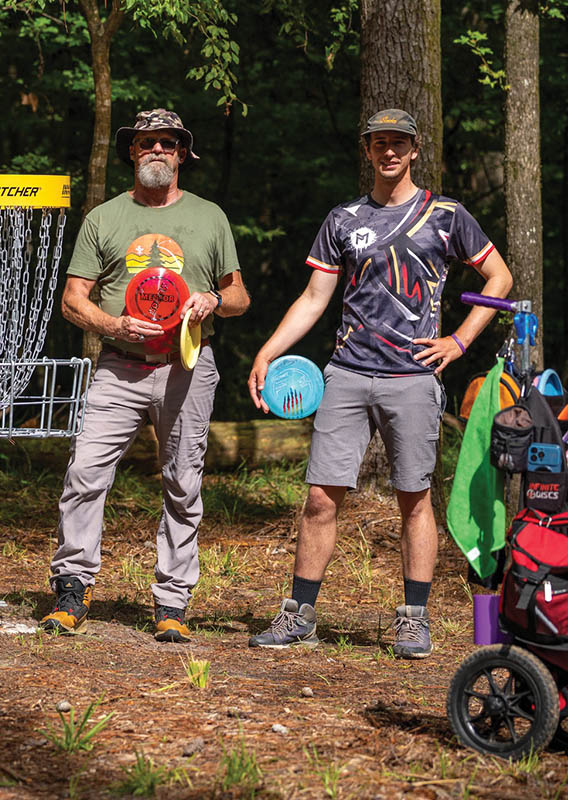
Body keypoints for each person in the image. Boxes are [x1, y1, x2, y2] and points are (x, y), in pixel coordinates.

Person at [247, 109, 513, 659]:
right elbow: (316, 297)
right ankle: (299, 615)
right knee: (321, 497)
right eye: (379, 143)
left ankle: (414, 619)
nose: (389, 151)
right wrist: (270, 351)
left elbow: (500, 277)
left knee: (414, 499)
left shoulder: (446, 215)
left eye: (399, 143)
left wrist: (460, 343)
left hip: (413, 377)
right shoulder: (343, 218)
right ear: (366, 151)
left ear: (415, 150)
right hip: (345, 374)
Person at [40, 109, 250, 641]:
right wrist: (113, 323)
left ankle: (172, 604)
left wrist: (213, 299)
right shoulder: (104, 218)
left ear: (182, 154)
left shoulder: (210, 218)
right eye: (146, 143)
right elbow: (71, 301)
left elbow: (241, 297)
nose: (157, 150)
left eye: (168, 143)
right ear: (131, 152)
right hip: (118, 366)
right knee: (85, 472)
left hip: (188, 366)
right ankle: (71, 587)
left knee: (183, 482)